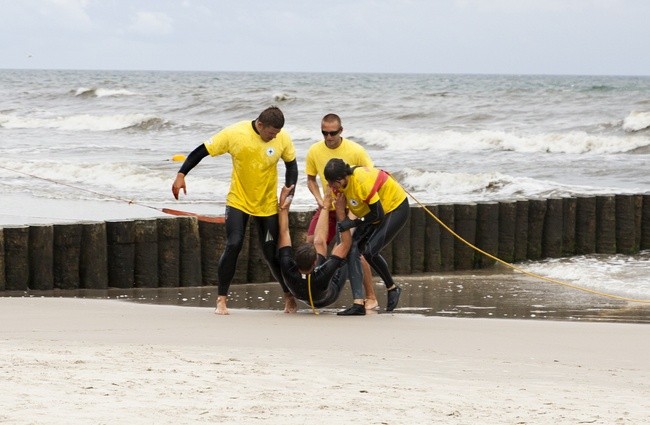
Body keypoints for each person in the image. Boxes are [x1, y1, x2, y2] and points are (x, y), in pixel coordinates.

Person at [172, 106, 298, 315]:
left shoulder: (282, 138)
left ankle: (288, 296)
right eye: (270, 133)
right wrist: (181, 173)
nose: (273, 137)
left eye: (276, 134)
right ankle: (221, 300)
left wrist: (289, 191)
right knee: (234, 244)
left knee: (270, 252)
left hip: (266, 204)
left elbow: (291, 166)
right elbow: (201, 150)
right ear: (260, 125)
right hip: (238, 201)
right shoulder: (234, 133)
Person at [304, 113, 378, 315]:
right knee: (311, 241)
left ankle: (371, 297)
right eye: (324, 133)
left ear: (341, 131)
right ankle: (314, 289)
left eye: (332, 133)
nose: (328, 137)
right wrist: (320, 200)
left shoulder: (356, 151)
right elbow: (310, 179)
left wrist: (354, 213)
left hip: (351, 207)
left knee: (351, 249)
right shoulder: (314, 151)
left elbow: (368, 178)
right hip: (327, 206)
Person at [324, 158, 410, 312]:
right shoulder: (340, 185)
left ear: (342, 179)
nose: (331, 187)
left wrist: (351, 224)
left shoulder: (361, 183)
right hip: (372, 212)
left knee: (369, 251)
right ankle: (358, 303)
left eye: (332, 183)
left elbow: (378, 215)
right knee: (353, 249)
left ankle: (392, 288)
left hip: (394, 207)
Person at [278, 185, 365, 314]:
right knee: (340, 246)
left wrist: (283, 206)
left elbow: (284, 232)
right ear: (315, 263)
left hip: (307, 291)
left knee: (318, 242)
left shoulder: (287, 267)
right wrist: (341, 212)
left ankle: (326, 205)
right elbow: (345, 244)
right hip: (328, 294)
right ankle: (354, 208)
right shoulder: (322, 275)